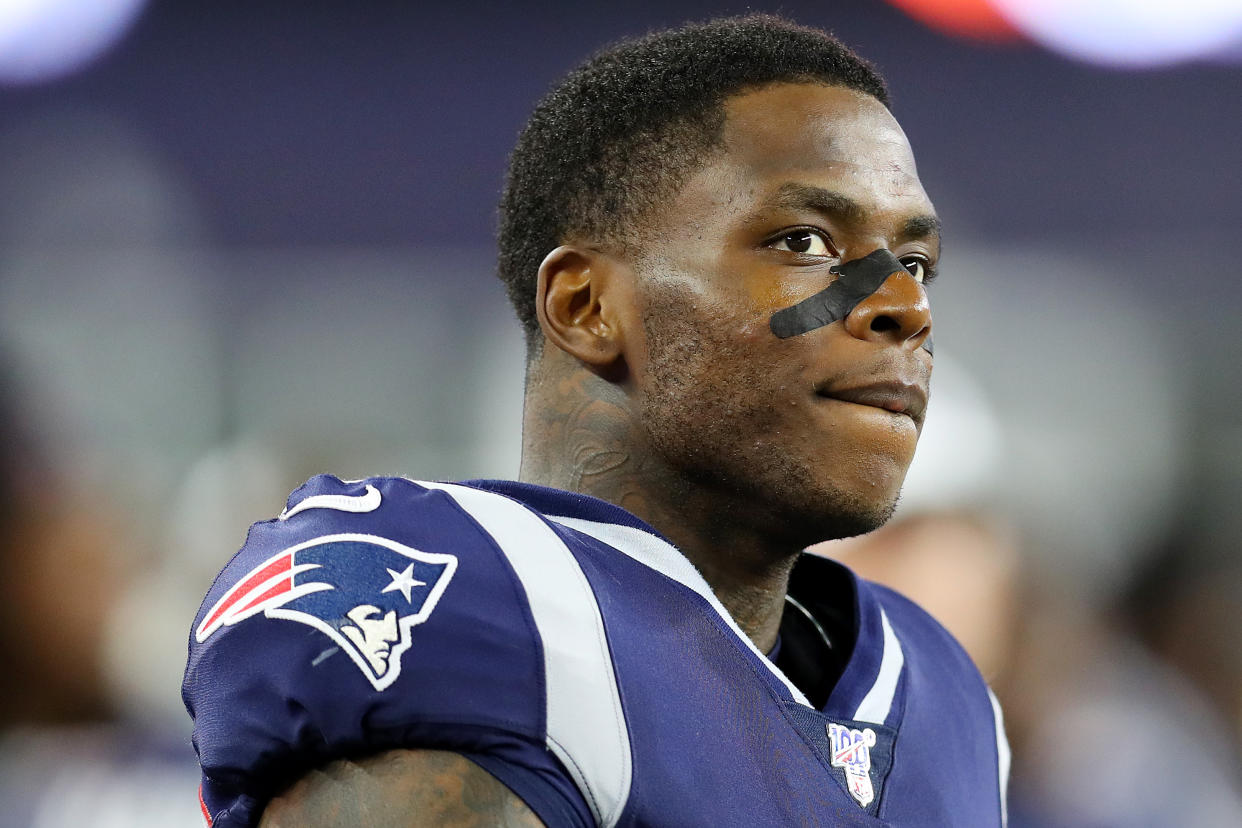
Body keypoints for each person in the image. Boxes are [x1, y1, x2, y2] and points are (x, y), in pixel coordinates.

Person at [183, 15, 1009, 827]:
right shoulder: (508, 629)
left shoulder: (945, 701)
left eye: (914, 264)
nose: (905, 307)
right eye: (803, 241)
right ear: (585, 307)